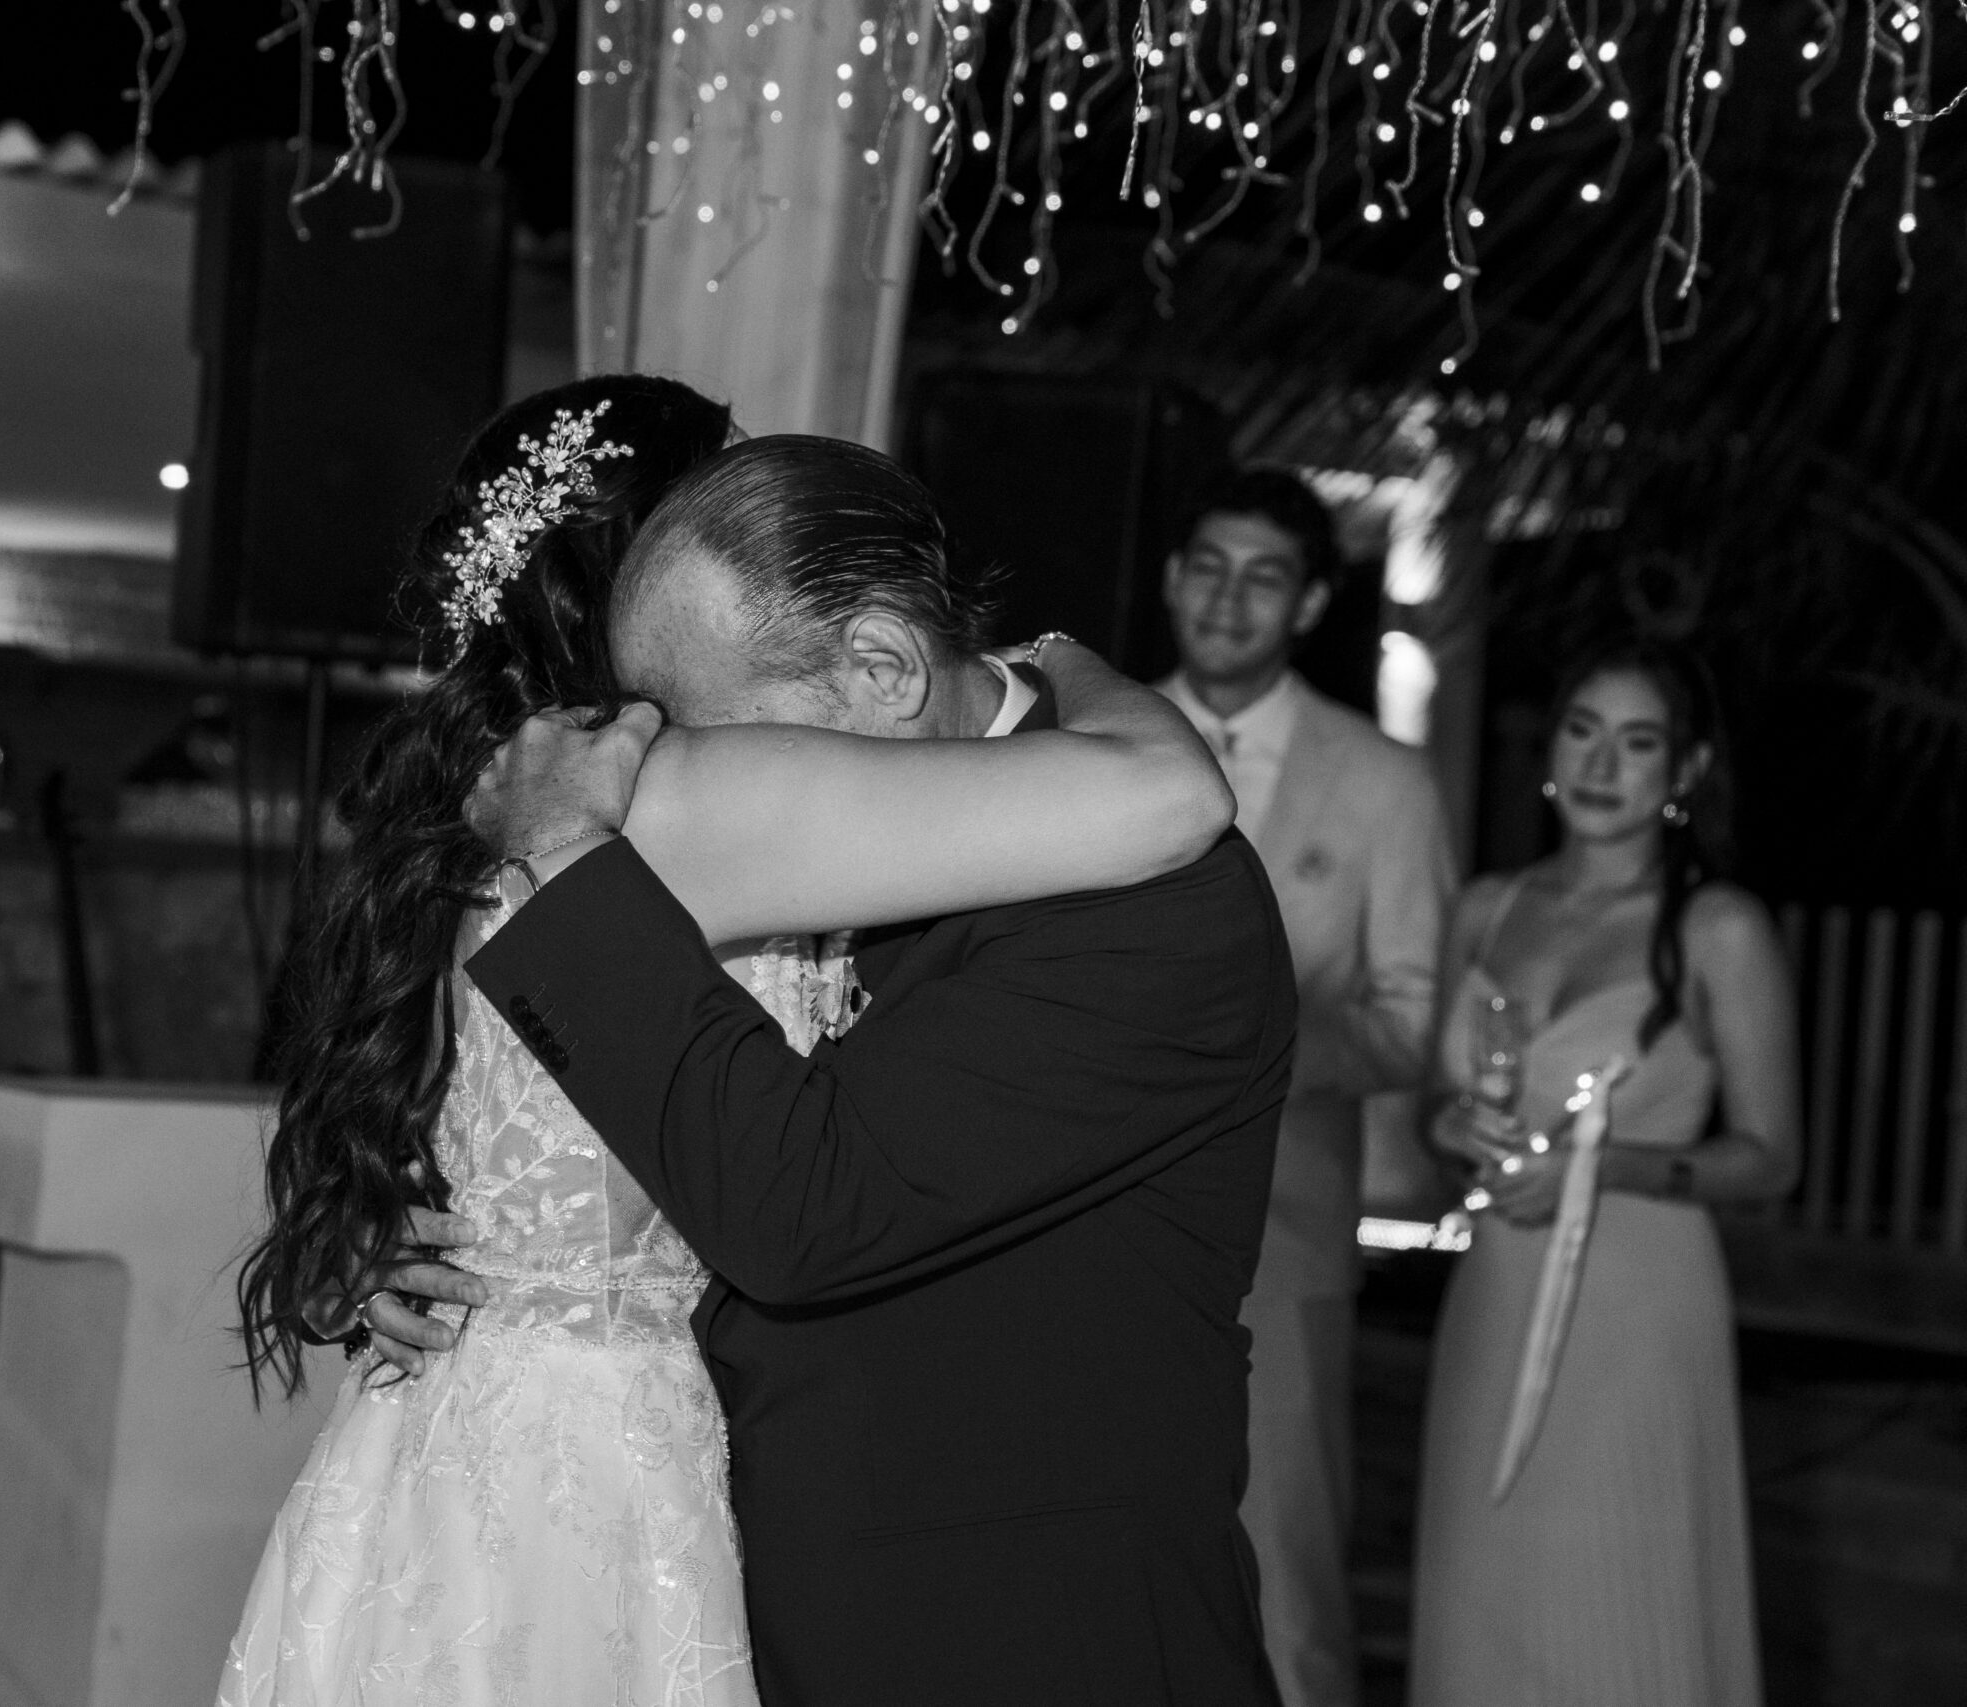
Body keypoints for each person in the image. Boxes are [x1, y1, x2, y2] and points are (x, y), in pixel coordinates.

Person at [218, 386, 1240, 1706]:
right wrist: (1066, 658)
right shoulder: (679, 790)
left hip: (446, 1440)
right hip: (604, 1468)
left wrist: (381, 1232)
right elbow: (1167, 794)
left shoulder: (500, 787)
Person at [1409, 638, 1796, 1706]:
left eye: (1637, 743)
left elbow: (1770, 1158)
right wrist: (1453, 1126)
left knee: (1615, 1593)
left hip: (1636, 1301)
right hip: (1494, 1285)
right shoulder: (1486, 905)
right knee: (1487, 1592)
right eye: (1582, 731)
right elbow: (1434, 1109)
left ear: (1685, 770)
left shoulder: (1718, 928)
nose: (1600, 764)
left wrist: (1605, 1164)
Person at [1151, 466, 1458, 1707]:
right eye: (1208, 568)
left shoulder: (1383, 782)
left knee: (1284, 1580)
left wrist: (1251, 1043)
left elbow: (1412, 1025)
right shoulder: (1082, 742)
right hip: (1081, 1218)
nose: (1228, 601)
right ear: (1170, 577)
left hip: (1279, 1230)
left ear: (1312, 602)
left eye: (1264, 577)